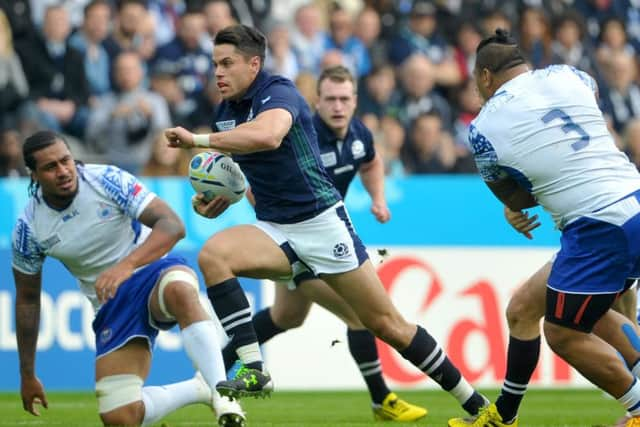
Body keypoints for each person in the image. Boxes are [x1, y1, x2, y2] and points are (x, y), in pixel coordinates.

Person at [165, 24, 488, 419]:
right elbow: (240, 176)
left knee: (387, 325)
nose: (218, 72)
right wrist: (217, 200)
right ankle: (252, 367)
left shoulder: (278, 91)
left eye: (227, 63)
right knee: (214, 255)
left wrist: (197, 140)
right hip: (275, 228)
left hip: (321, 225)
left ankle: (477, 404)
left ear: (254, 64)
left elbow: (268, 136)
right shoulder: (225, 114)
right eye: (215, 63)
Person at [447, 29, 640, 427]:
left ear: (485, 77)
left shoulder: (483, 128)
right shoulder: (569, 75)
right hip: (632, 199)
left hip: (598, 226)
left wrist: (512, 208)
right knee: (524, 308)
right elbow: (590, 109)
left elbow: (518, 199)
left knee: (563, 332)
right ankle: (505, 415)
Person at [219, 65, 426, 421]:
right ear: (316, 101)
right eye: (330, 99)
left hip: (323, 243)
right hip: (296, 243)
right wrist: (275, 220)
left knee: (287, 316)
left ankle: (216, 367)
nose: (337, 106)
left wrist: (378, 199)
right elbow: (257, 182)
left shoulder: (359, 134)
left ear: (355, 101)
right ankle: (382, 401)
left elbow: (372, 162)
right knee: (361, 315)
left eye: (344, 99)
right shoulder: (301, 131)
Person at [12, 131, 244, 427]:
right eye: (50, 167)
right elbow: (28, 300)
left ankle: (223, 392)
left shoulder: (106, 179)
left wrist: (127, 265)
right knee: (120, 418)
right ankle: (200, 387)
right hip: (111, 304)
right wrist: (27, 375)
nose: (63, 171)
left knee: (181, 291)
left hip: (151, 272)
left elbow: (172, 226)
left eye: (66, 161)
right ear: (33, 174)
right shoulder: (29, 228)